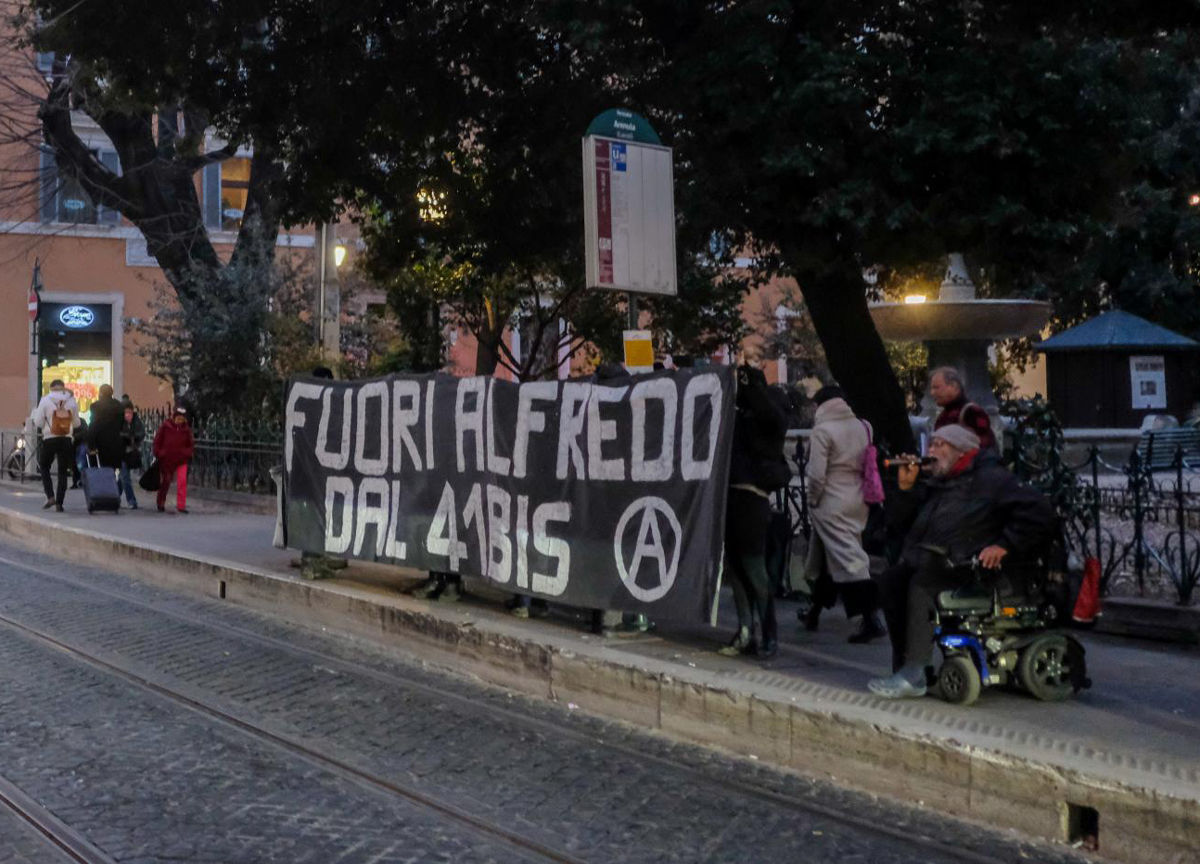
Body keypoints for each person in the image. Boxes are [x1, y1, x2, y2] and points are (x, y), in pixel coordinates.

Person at [867, 424, 1055, 698]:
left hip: (971, 566)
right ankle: (908, 665)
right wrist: (906, 489)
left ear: (960, 451)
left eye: (939, 445)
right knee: (892, 581)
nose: (931, 451)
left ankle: (914, 671)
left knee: (922, 585)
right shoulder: (941, 481)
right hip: (936, 560)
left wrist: (1004, 545)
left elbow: (1039, 512)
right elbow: (901, 523)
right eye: (930, 444)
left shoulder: (991, 479)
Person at [800, 385, 885, 642]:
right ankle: (813, 611)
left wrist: (813, 501)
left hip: (831, 502)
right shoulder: (862, 426)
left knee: (849, 562)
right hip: (858, 499)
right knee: (832, 556)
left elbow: (816, 475)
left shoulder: (823, 431)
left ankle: (870, 619)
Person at [720, 364, 789, 658]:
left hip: (752, 500)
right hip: (732, 499)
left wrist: (750, 386)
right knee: (736, 568)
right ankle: (746, 630)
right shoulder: (737, 418)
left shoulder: (769, 417)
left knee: (753, 568)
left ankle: (768, 632)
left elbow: (770, 415)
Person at [30, 379, 80, 511]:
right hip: (66, 439)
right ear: (63, 388)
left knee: (44, 466)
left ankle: (50, 496)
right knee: (62, 471)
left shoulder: (45, 400)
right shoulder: (72, 401)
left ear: (51, 388)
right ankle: (59, 503)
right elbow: (77, 424)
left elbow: (38, 422)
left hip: (50, 438)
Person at [928, 366, 995, 451]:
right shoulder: (943, 416)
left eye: (936, 387)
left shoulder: (972, 412)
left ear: (953, 386)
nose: (932, 392)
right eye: (931, 388)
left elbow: (984, 451)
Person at [153, 406, 195, 513]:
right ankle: (161, 502)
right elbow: (157, 440)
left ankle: (181, 505)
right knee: (166, 482)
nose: (179, 421)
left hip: (181, 460)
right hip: (167, 460)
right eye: (178, 419)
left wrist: (187, 453)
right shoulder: (166, 426)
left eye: (182, 419)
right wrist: (159, 453)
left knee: (182, 481)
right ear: (174, 417)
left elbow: (190, 445)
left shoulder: (186, 430)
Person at [88, 384, 125, 470]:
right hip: (115, 441)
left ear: (100, 393)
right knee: (112, 469)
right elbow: (122, 424)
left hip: (100, 443)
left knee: (100, 469)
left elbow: (93, 425)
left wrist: (91, 444)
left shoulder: (95, 406)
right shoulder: (118, 405)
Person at [117, 395, 145, 509]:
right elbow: (117, 434)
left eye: (130, 412)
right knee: (125, 477)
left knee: (122, 478)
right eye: (126, 412)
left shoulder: (136, 421)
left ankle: (114, 497)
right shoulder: (118, 422)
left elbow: (141, 433)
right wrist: (127, 437)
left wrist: (134, 437)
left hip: (131, 452)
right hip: (121, 452)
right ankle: (131, 500)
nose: (128, 414)